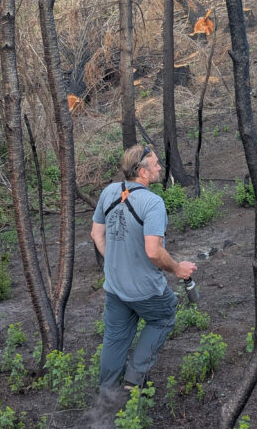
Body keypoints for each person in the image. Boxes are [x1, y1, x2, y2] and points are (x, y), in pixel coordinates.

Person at [90, 145, 197, 394]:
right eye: (156, 164)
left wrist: (116, 261)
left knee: (115, 338)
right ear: (142, 172)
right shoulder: (152, 203)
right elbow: (153, 252)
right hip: (146, 289)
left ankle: (107, 393)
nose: (160, 167)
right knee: (164, 316)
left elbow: (96, 234)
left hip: (115, 287)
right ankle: (133, 382)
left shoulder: (108, 192)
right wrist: (178, 268)